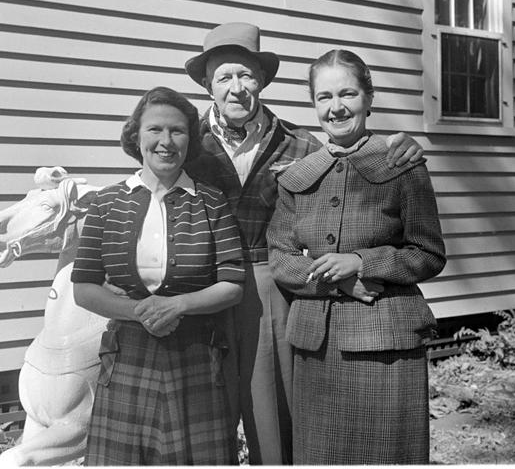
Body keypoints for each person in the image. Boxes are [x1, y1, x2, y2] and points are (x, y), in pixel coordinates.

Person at [183, 23, 425, 464]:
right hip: (201, 287)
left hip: (268, 289)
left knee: (275, 421)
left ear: (262, 80)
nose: (236, 88)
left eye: (246, 75)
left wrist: (398, 144)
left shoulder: (300, 145)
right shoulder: (185, 145)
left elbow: (348, 163)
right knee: (201, 423)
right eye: (224, 77)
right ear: (207, 85)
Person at [266, 49, 446, 464]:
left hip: (386, 342)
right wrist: (337, 279)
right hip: (317, 347)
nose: (336, 107)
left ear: (368, 98)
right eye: (324, 97)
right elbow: (281, 258)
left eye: (347, 93)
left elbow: (429, 254)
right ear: (314, 103)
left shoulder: (402, 165)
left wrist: (363, 262)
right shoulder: (296, 177)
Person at [71, 86, 245, 465]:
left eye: (177, 131)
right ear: (136, 136)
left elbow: (232, 285)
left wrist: (177, 305)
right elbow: (83, 288)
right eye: (155, 129)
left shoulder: (211, 202)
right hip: (127, 355)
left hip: (196, 356)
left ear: (190, 140)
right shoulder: (105, 203)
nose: (166, 141)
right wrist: (140, 312)